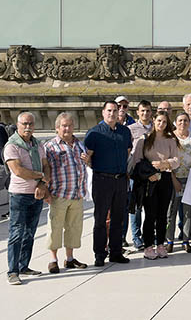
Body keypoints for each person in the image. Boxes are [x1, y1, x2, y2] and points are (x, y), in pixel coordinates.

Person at [5, 112, 51, 285]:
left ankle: (24, 265)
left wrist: (42, 184)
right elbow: (18, 171)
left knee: (30, 233)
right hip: (19, 195)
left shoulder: (38, 145)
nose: (28, 127)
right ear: (18, 125)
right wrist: (41, 176)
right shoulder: (12, 146)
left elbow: (47, 165)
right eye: (24, 123)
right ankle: (12, 271)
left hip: (37, 194)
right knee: (16, 233)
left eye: (31, 124)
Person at [85, 101, 132, 266]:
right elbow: (88, 157)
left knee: (118, 218)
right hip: (102, 180)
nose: (112, 113)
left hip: (120, 180)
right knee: (100, 219)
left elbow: (127, 152)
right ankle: (99, 253)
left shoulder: (125, 132)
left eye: (115, 110)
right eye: (109, 110)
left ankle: (116, 252)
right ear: (103, 113)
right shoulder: (94, 133)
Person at [44, 112, 90, 274]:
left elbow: (86, 165)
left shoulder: (79, 144)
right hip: (59, 194)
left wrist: (87, 161)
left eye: (70, 125)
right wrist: (46, 192)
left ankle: (70, 259)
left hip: (77, 194)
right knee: (55, 228)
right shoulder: (50, 146)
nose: (67, 128)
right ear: (57, 128)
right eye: (64, 125)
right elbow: (45, 169)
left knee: (74, 227)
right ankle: (53, 259)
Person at [131, 112, 181, 260]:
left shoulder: (171, 140)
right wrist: (148, 174)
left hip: (165, 178)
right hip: (149, 181)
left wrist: (165, 164)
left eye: (164, 122)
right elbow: (136, 162)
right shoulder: (144, 140)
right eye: (159, 121)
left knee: (163, 215)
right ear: (154, 121)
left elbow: (177, 160)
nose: (161, 124)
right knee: (150, 214)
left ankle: (160, 243)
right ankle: (148, 246)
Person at [167, 112, 191, 253]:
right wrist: (173, 179)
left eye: (185, 120)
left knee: (188, 213)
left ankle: (186, 240)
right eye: (180, 120)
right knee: (171, 212)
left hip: (190, 179)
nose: (182, 123)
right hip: (174, 179)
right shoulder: (170, 138)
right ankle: (169, 241)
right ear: (175, 122)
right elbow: (167, 160)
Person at [126, 100, 153, 250]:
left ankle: (149, 234)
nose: (145, 113)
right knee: (136, 207)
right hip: (136, 172)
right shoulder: (131, 129)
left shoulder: (156, 128)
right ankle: (136, 236)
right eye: (142, 111)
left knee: (150, 206)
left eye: (148, 111)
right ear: (137, 112)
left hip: (151, 172)